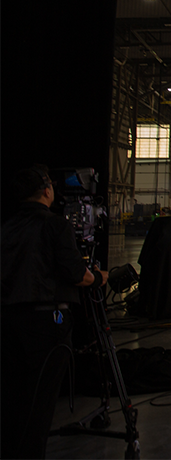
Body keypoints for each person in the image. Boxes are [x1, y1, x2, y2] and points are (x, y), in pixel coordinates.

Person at [0, 166, 108, 460]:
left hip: (9, 322)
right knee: (39, 403)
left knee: (13, 397)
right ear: (47, 191)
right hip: (47, 324)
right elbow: (76, 274)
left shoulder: (7, 226)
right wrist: (98, 278)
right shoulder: (55, 225)